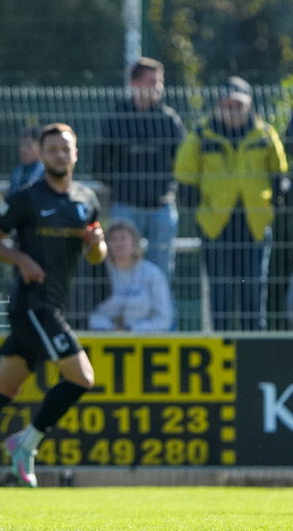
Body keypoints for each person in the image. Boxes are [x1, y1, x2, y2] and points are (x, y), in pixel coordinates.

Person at [0, 123, 107, 502]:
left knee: (3, 389)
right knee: (82, 378)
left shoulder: (86, 200)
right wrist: (22, 259)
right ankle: (26, 445)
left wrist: (97, 245)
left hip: (53, 304)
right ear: (42, 155)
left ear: (75, 153)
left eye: (66, 148)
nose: (60, 154)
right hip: (33, 305)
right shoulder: (27, 198)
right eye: (53, 149)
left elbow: (96, 255)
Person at [174, 76, 287, 331]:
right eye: (227, 104)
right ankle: (221, 350)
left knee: (253, 291)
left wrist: (272, 205)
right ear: (218, 105)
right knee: (220, 292)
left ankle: (253, 354)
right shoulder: (202, 134)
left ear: (248, 105)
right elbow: (185, 174)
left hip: (254, 224)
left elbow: (279, 172)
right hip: (216, 225)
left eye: (237, 104)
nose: (231, 110)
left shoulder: (265, 134)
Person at [94, 57, 185, 279]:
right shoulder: (117, 118)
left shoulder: (169, 120)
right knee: (120, 268)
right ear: (134, 84)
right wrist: (124, 186)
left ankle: (160, 315)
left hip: (161, 208)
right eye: (152, 81)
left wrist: (168, 189)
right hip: (126, 207)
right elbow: (100, 164)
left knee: (160, 272)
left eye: (160, 82)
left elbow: (183, 163)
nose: (158, 87)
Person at [89, 219, 174, 332]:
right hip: (102, 337)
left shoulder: (152, 273)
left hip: (144, 339)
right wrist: (111, 329)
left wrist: (133, 330)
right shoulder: (98, 273)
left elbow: (164, 318)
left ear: (134, 242)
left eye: (123, 238)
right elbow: (86, 315)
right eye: (113, 239)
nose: (119, 243)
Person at [7, 125, 44, 196]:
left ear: (40, 147)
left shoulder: (46, 172)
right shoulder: (16, 171)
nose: (22, 149)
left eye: (28, 145)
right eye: (22, 145)